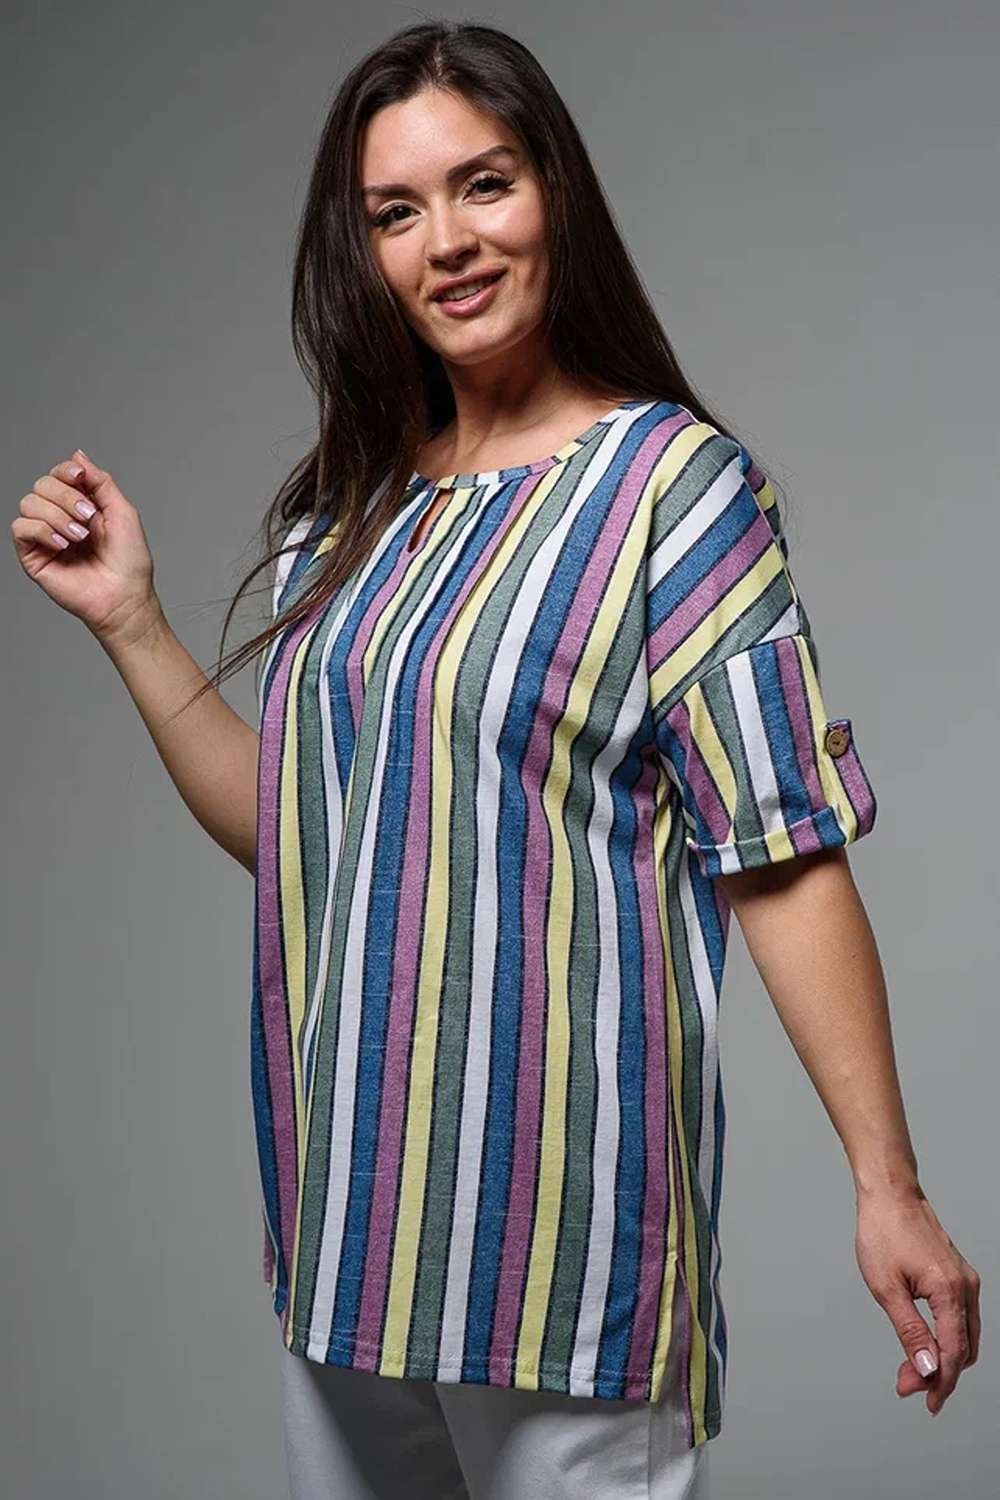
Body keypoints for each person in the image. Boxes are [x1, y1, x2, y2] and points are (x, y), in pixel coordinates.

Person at [12, 19, 980, 1500]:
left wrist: (885, 1184)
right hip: (344, 1244)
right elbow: (307, 834)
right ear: (363, 254)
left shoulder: (673, 488)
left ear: (554, 194)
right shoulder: (349, 514)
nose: (447, 243)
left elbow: (779, 855)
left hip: (563, 1263)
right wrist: (132, 622)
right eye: (395, 212)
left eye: (484, 184)